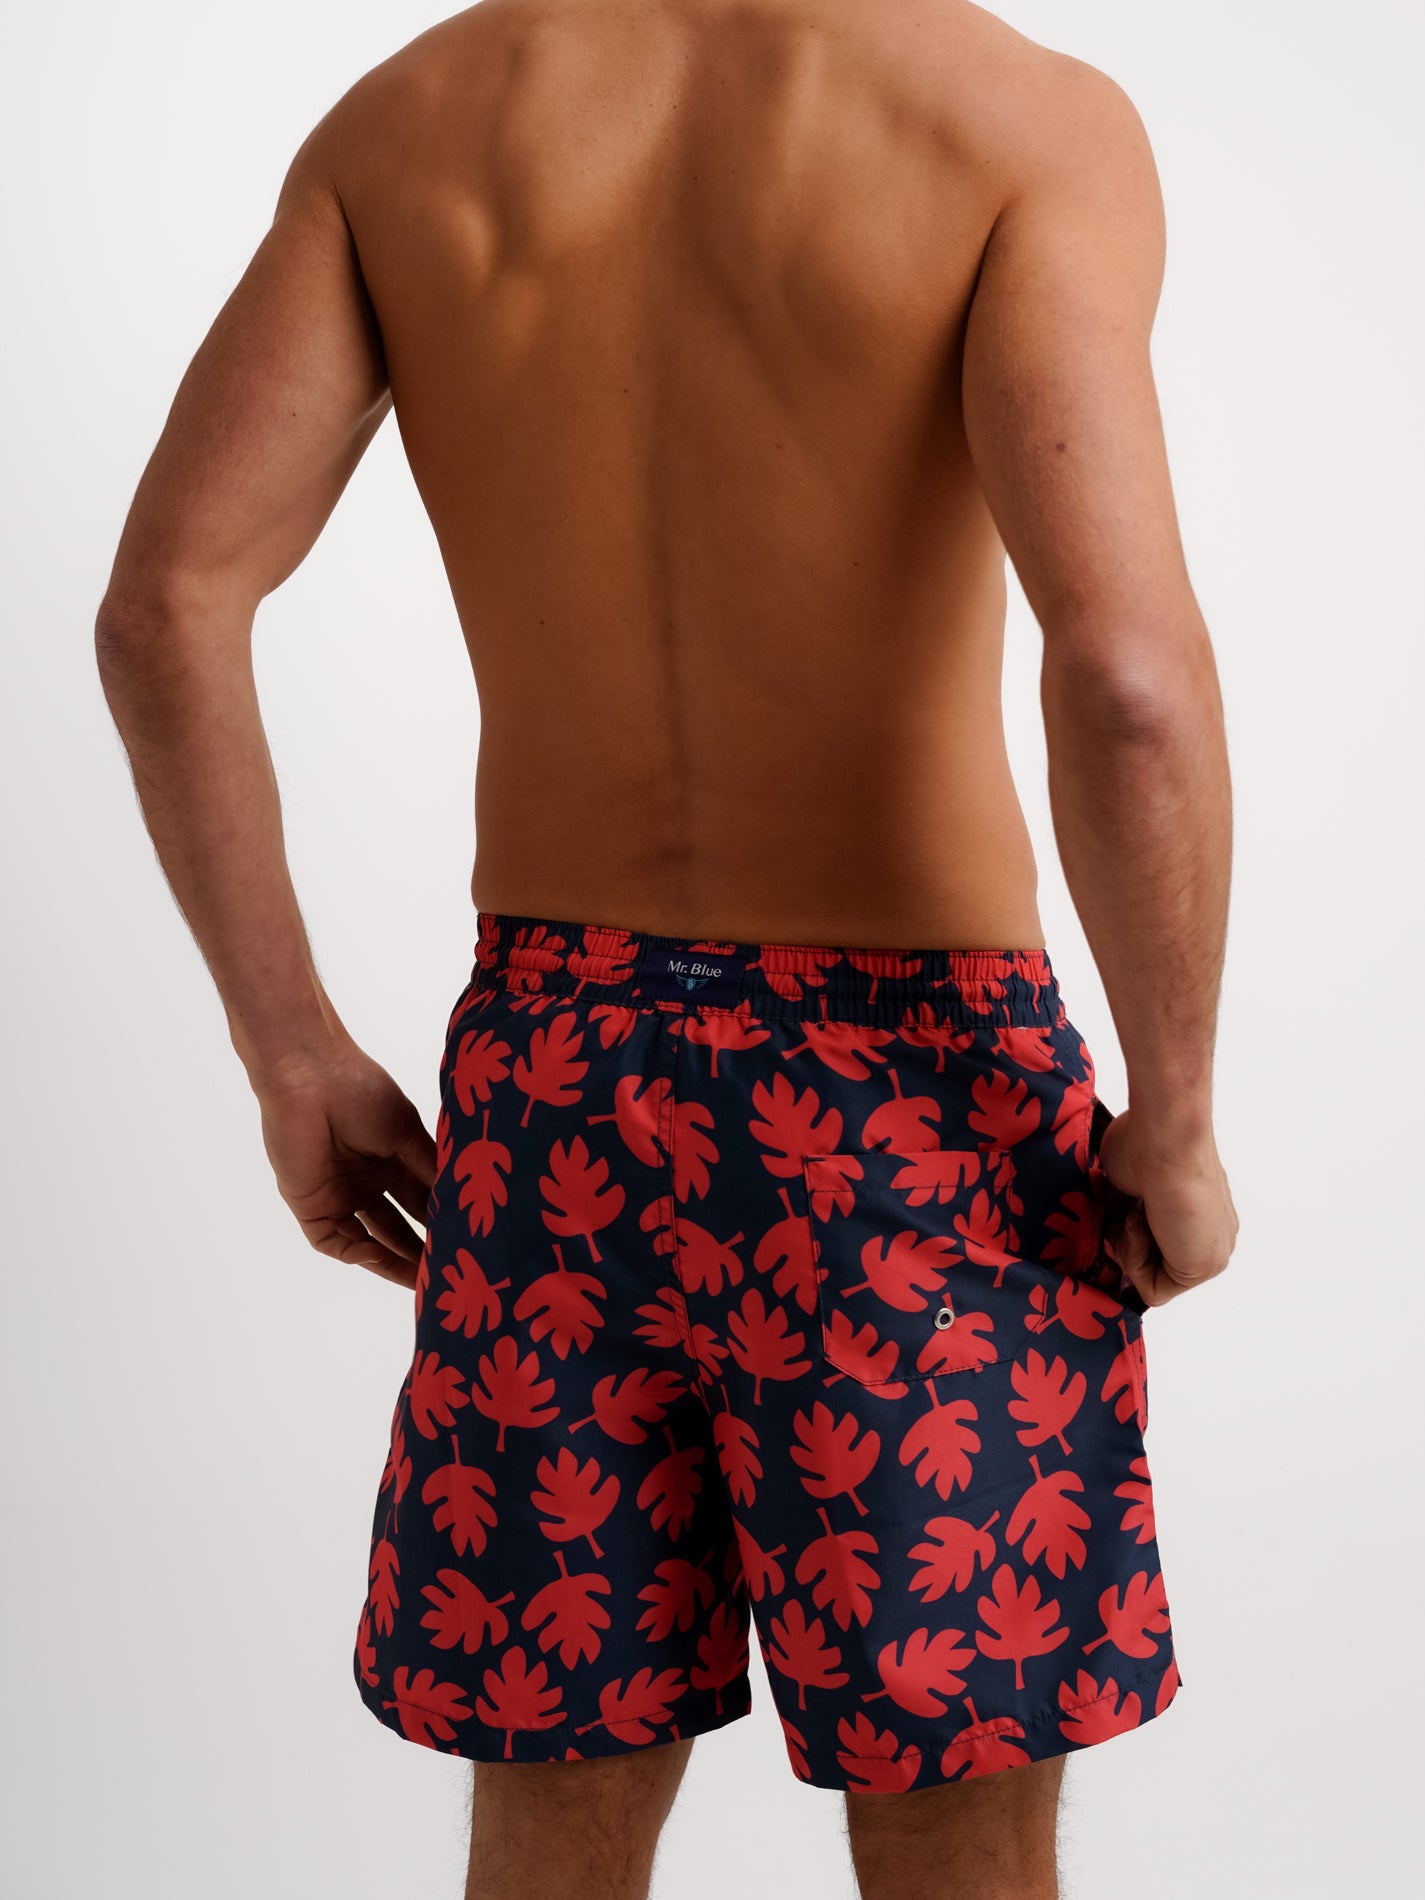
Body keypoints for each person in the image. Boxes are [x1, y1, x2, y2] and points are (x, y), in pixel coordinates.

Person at [95, 0, 1237, 1894]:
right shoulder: (1017, 123)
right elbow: (1124, 681)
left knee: (554, 1786)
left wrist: (289, 1050)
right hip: (912, 1108)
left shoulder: (411, 124)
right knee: (956, 1801)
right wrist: (1175, 1117)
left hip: (552, 1076)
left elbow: (163, 606)